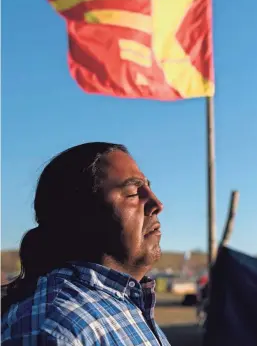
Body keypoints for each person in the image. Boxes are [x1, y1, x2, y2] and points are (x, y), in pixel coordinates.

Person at [1, 142, 170, 346]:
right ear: (82, 214)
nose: (157, 204)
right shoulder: (55, 329)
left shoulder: (124, 302)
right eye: (133, 192)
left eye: (148, 187)